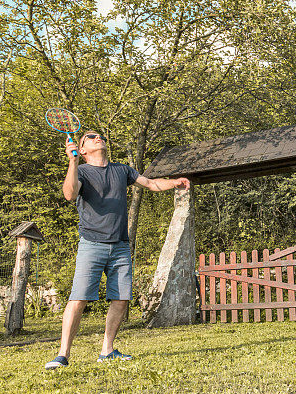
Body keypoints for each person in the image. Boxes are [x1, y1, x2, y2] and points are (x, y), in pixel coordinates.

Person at [45, 130, 189, 369]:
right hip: (91, 244)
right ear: (82, 149)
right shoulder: (81, 171)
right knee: (79, 298)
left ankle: (107, 350)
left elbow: (151, 183)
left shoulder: (122, 170)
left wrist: (174, 182)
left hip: (120, 246)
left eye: (99, 135)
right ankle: (62, 355)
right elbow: (70, 194)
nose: (97, 137)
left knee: (121, 299)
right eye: (90, 137)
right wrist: (72, 162)